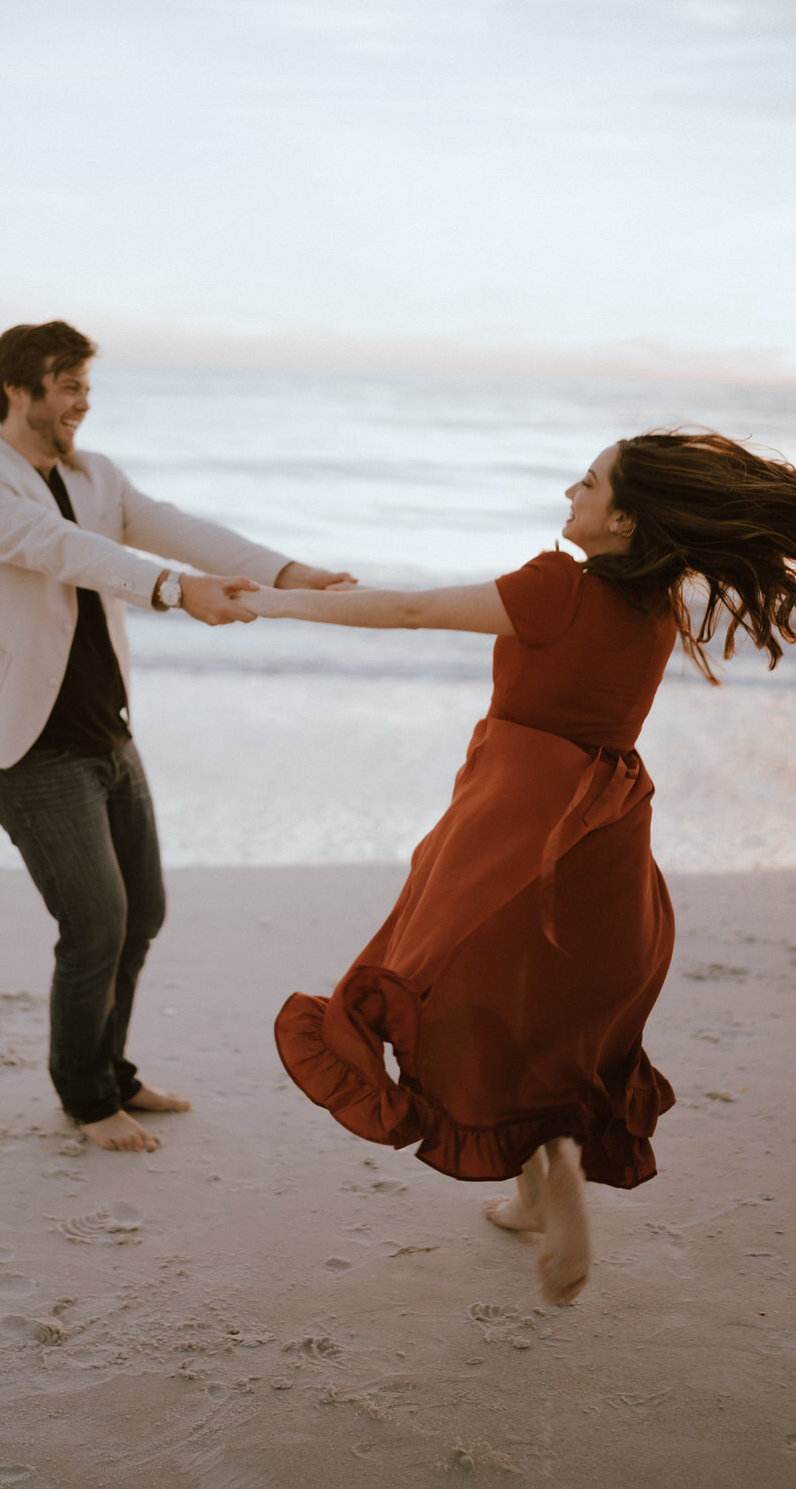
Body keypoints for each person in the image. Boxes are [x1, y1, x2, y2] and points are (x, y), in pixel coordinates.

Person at [236, 430, 796, 1304]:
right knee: (549, 1016)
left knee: (457, 996)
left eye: (588, 482)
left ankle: (558, 1177)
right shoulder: (655, 608)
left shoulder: (555, 586)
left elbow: (412, 611)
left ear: (623, 518)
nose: (568, 491)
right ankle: (537, 1193)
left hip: (511, 827)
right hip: (605, 839)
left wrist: (268, 604)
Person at [0, 321, 353, 1154]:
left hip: (107, 735)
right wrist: (169, 590)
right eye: (69, 384)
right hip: (29, 746)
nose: (84, 401)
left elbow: (179, 529)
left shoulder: (95, 475)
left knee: (141, 913)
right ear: (19, 388)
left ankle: (111, 1072)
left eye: (86, 385)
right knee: (96, 924)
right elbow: (58, 549)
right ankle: (86, 1102)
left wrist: (288, 574)